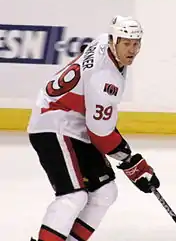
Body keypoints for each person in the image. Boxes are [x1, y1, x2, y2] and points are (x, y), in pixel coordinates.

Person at [27, 15, 160, 241]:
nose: (132, 49)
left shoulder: (102, 42)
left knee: (106, 192)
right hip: (53, 123)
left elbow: (98, 127)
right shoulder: (105, 80)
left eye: (136, 43)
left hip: (75, 123)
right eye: (126, 43)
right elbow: (100, 134)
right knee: (73, 196)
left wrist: (129, 160)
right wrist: (132, 162)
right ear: (113, 41)